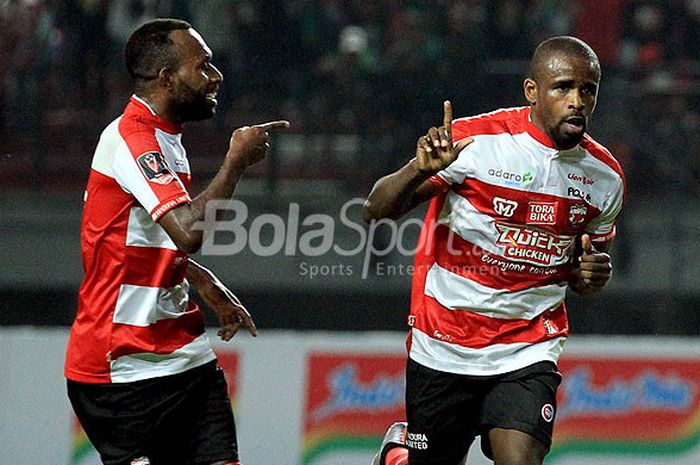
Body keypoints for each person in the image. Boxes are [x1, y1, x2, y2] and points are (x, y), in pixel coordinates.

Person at [364, 36, 624, 465]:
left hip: (528, 345)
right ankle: (399, 453)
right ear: (532, 91)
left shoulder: (606, 179)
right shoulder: (474, 143)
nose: (577, 101)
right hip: (445, 338)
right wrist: (419, 169)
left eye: (588, 90)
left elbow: (583, 274)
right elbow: (376, 209)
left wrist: (591, 277)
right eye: (563, 87)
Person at [64, 18, 289, 465]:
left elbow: (138, 238)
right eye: (203, 66)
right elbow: (189, 231)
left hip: (185, 360)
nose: (216, 76)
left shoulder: (166, 137)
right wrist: (236, 162)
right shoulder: (135, 140)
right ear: (166, 78)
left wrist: (201, 280)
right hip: (121, 367)